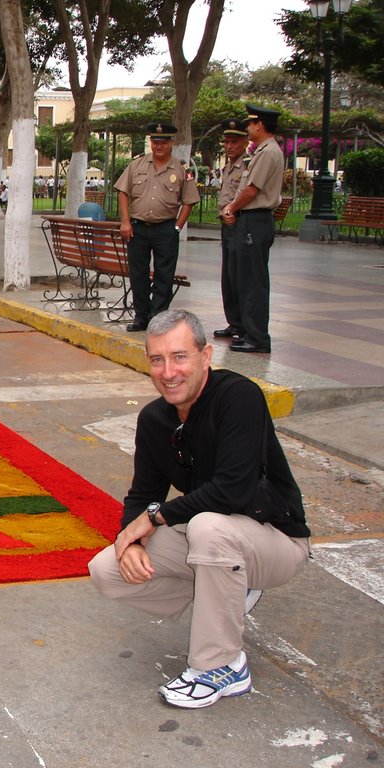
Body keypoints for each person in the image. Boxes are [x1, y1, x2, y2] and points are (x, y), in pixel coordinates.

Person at [88, 309, 310, 709]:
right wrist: (131, 540)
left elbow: (232, 490)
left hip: (276, 540)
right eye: (157, 359)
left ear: (206, 356)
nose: (168, 372)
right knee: (108, 569)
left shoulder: (238, 397)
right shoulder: (155, 419)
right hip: (219, 542)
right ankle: (222, 591)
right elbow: (142, 495)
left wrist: (156, 518)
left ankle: (222, 665)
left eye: (180, 357)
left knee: (207, 525)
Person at [114, 123, 200, 332]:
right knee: (138, 274)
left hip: (165, 229)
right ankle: (141, 316)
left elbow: (189, 200)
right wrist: (125, 221)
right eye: (155, 142)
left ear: (172, 143)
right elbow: (122, 192)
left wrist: (177, 228)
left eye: (163, 142)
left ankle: (158, 317)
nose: (158, 146)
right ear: (150, 142)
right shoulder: (137, 165)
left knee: (164, 276)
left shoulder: (181, 169)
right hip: (138, 228)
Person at [220, 104, 285, 354]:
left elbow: (251, 190)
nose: (248, 128)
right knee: (242, 279)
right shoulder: (263, 151)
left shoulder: (268, 152)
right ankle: (247, 330)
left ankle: (257, 337)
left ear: (260, 125)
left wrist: (231, 208)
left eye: (250, 124)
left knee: (253, 282)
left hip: (254, 221)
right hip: (249, 220)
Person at [213, 118, 250, 344]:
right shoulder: (228, 166)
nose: (228, 146)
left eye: (234, 142)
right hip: (226, 225)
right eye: (226, 142)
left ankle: (244, 325)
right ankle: (234, 322)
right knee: (228, 277)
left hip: (239, 222)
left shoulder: (248, 165)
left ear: (245, 142)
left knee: (240, 277)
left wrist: (231, 211)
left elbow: (245, 194)